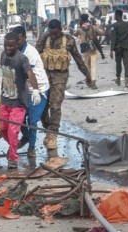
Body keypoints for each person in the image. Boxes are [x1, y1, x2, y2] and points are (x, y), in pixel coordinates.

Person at [36, 19, 91, 150]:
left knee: (55, 106)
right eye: (51, 33)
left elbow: (78, 58)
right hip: (44, 76)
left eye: (55, 33)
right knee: (43, 106)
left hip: (60, 77)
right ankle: (48, 128)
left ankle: (53, 135)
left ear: (60, 30)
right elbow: (35, 53)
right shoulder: (45, 38)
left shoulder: (69, 40)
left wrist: (87, 74)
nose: (53, 35)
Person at [0, 32, 41, 169]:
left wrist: (35, 90)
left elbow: (30, 74)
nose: (8, 48)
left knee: (13, 131)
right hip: (5, 99)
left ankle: (13, 158)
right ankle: (13, 146)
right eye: (6, 45)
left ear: (17, 44)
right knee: (3, 129)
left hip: (18, 102)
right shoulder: (2, 55)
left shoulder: (22, 59)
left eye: (11, 46)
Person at [11, 26, 49, 157]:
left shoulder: (30, 52)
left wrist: (36, 91)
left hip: (38, 88)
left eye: (19, 39)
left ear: (24, 38)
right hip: (24, 89)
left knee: (32, 120)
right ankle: (26, 136)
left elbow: (28, 74)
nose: (17, 42)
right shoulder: (14, 52)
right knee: (19, 117)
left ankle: (32, 147)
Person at [110, 10, 128, 87]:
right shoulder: (127, 24)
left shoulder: (114, 25)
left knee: (118, 63)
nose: (114, 16)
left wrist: (111, 50)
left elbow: (113, 38)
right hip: (127, 46)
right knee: (126, 64)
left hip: (118, 48)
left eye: (115, 15)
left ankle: (118, 80)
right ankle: (126, 81)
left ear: (117, 16)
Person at [75, 13, 104, 89]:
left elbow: (75, 34)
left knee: (87, 66)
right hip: (93, 48)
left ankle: (89, 81)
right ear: (87, 19)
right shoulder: (93, 27)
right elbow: (101, 33)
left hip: (85, 49)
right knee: (93, 65)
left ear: (81, 19)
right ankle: (93, 82)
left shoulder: (80, 29)